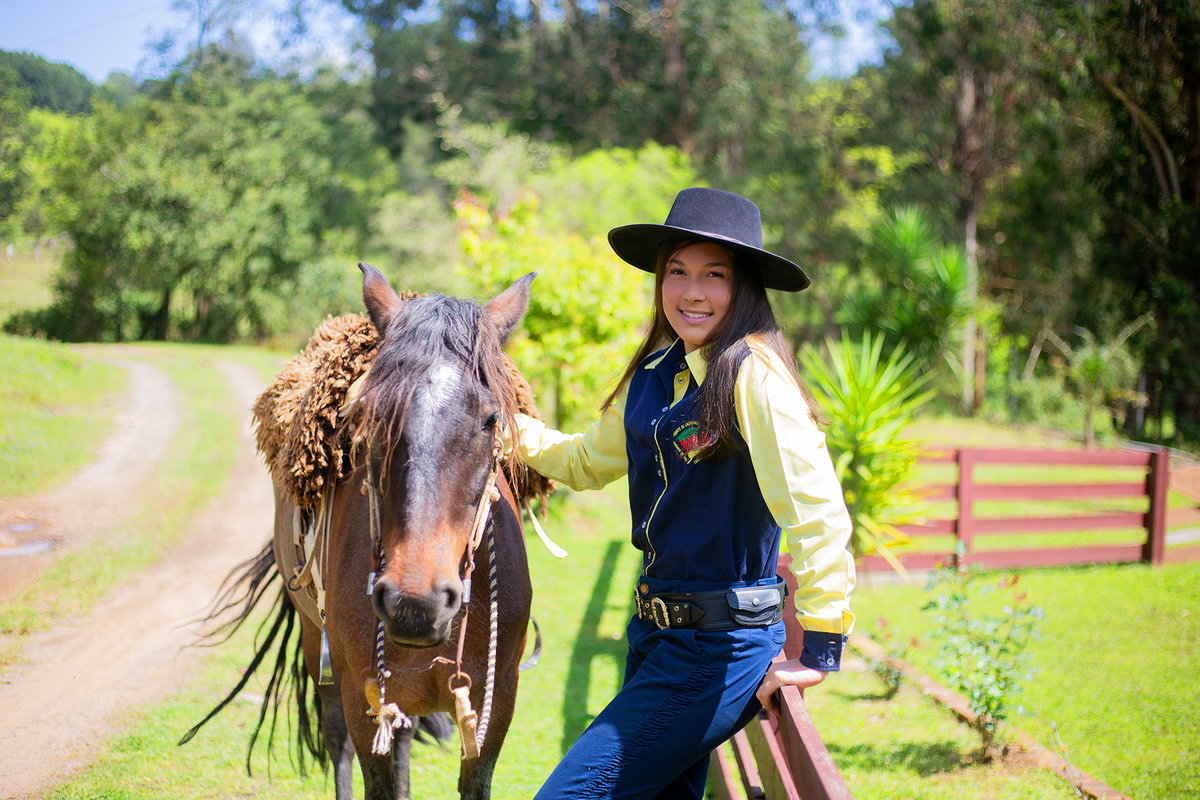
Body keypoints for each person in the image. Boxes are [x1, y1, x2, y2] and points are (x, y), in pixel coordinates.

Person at [510, 187, 855, 800]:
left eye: (714, 276)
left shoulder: (753, 373)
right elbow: (589, 461)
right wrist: (503, 427)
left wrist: (822, 645)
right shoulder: (655, 373)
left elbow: (816, 509)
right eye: (678, 272)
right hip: (654, 635)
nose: (692, 291)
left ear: (743, 286)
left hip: (718, 649)